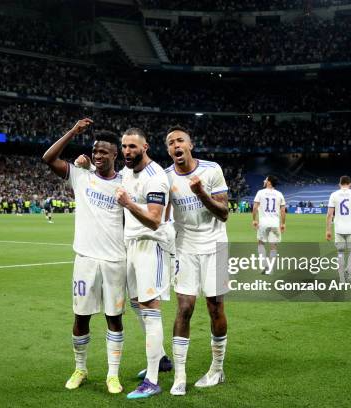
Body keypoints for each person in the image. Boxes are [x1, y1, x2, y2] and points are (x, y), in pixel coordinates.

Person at [42, 118, 127, 394]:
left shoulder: (126, 184)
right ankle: (80, 368)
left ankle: (112, 375)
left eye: (104, 151)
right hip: (86, 260)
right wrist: (72, 132)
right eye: (95, 150)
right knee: (81, 317)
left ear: (116, 154)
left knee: (114, 318)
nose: (98, 155)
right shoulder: (80, 176)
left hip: (115, 260)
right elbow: (49, 158)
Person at [164, 126, 230, 396]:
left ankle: (217, 368)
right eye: (170, 143)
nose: (176, 145)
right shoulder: (165, 177)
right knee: (185, 307)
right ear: (168, 150)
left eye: (180, 140)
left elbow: (224, 213)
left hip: (216, 245)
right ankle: (180, 374)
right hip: (185, 248)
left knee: (215, 307)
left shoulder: (212, 169)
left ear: (190, 145)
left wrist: (201, 192)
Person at [117, 127, 172, 399]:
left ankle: (152, 381)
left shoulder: (156, 177)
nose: (127, 151)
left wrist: (128, 204)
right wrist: (88, 164)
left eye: (132, 147)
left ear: (145, 147)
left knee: (150, 307)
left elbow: (154, 219)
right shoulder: (127, 171)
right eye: (124, 146)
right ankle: (161, 359)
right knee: (136, 304)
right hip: (131, 245)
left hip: (152, 246)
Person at [325, 175, 351, 283]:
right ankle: (348, 269)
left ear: (340, 184)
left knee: (340, 253)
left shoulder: (334, 195)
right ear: (350, 184)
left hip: (339, 229)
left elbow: (329, 215)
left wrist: (328, 230)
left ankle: (342, 279)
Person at [252, 176, 286, 274]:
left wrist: (254, 220)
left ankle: (263, 266)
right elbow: (283, 210)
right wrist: (283, 223)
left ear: (269, 182)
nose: (264, 181)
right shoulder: (279, 194)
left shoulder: (260, 192)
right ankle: (270, 269)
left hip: (263, 222)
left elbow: (255, 208)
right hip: (275, 223)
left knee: (261, 243)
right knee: (273, 246)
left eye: (266, 179)